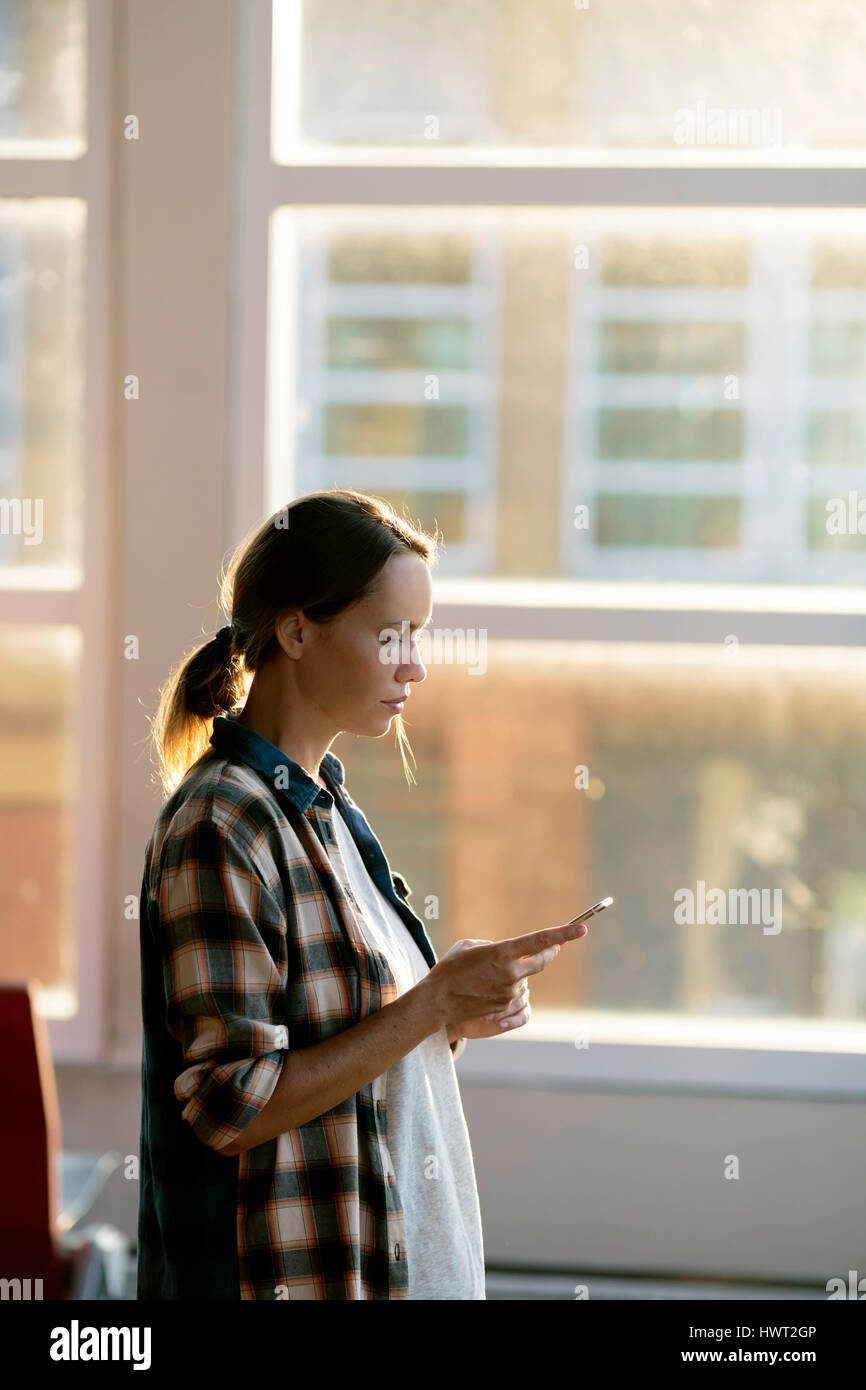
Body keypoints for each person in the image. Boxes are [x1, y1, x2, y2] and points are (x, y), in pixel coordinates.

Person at [137, 487, 588, 1300]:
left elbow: (351, 1047)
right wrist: (427, 1005)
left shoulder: (330, 810)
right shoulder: (222, 824)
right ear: (298, 629)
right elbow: (230, 1103)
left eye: (420, 636)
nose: (415, 664)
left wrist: (447, 1015)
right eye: (392, 634)